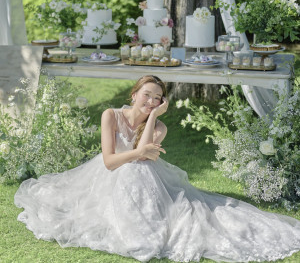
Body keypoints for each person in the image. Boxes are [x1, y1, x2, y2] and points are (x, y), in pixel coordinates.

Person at [15, 75, 300, 263]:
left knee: (137, 170)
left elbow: (145, 159)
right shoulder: (110, 115)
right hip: (108, 176)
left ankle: (147, 223)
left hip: (143, 179)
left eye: (157, 98)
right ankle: (132, 225)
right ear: (134, 94)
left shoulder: (159, 125)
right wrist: (139, 151)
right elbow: (109, 161)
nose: (150, 101)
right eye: (146, 95)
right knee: (128, 168)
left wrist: (152, 118)